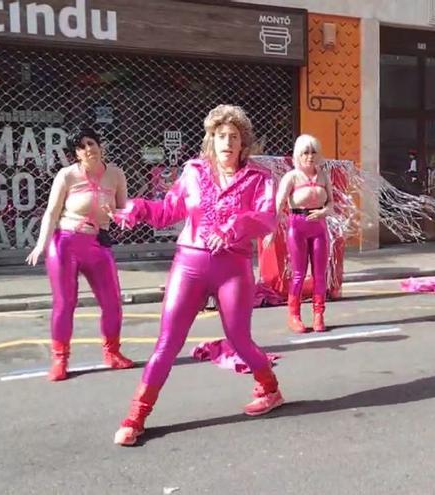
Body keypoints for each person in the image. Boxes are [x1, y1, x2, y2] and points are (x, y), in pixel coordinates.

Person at [108, 105, 283, 446]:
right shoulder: (193, 172)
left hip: (233, 267)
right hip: (189, 264)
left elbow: (266, 219)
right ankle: (136, 416)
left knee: (239, 339)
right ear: (211, 140)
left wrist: (233, 227)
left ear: (243, 143)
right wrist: (137, 209)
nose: (227, 143)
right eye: (221, 136)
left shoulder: (260, 178)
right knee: (167, 343)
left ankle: (270, 388)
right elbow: (167, 211)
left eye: (234, 137)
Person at [25, 128, 134, 381]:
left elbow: (124, 212)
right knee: (65, 303)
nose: (88, 149)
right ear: (76, 153)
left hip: (97, 244)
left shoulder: (116, 174)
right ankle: (60, 360)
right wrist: (41, 244)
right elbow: (52, 212)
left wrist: (116, 215)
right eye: (82, 147)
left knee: (112, 302)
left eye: (91, 143)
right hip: (65, 243)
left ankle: (112, 353)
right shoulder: (67, 175)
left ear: (100, 145)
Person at [269, 134, 335, 333]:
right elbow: (278, 204)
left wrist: (324, 211)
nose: (310, 156)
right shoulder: (292, 176)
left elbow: (331, 202)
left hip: (319, 227)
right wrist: (271, 229)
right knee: (298, 274)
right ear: (298, 154)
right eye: (305, 152)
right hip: (297, 226)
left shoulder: (323, 176)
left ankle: (318, 315)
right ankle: (294, 316)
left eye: (313, 152)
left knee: (319, 275)